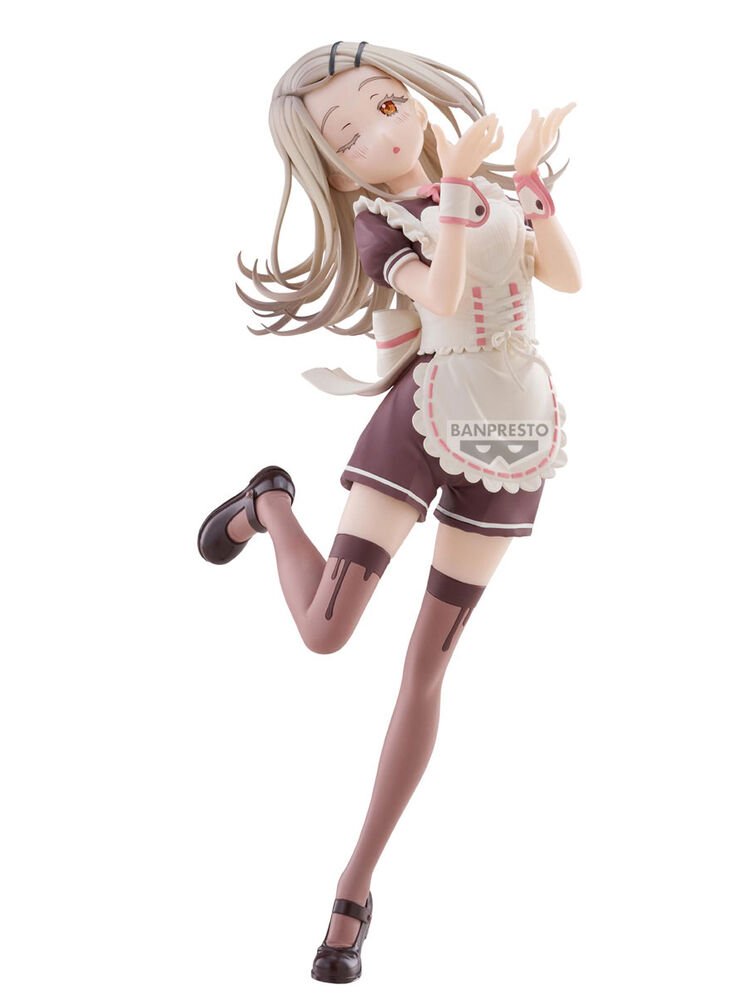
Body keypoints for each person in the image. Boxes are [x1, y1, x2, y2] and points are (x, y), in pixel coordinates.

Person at [197, 40, 581, 984]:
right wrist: (455, 189)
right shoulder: (381, 222)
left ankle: (354, 888)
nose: (383, 129)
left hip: (514, 433)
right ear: (336, 170)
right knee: (327, 633)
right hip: (424, 415)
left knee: (428, 667)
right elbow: (440, 290)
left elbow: (566, 278)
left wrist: (529, 181)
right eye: (349, 134)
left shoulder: (489, 194)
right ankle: (270, 506)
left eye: (386, 102)